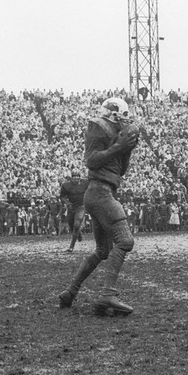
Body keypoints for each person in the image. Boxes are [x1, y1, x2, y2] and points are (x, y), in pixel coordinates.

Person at [57, 97, 140, 315]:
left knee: (103, 250)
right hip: (100, 192)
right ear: (113, 113)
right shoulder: (98, 126)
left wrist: (126, 149)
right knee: (125, 241)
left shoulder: (113, 133)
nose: (126, 120)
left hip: (101, 192)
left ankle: (70, 292)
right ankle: (108, 294)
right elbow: (92, 161)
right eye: (123, 115)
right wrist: (119, 146)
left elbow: (120, 171)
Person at [60, 170, 89, 252]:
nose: (76, 180)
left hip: (81, 206)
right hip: (71, 206)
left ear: (80, 178)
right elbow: (62, 196)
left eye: (77, 178)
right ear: (71, 178)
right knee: (72, 226)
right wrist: (68, 203)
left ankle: (71, 247)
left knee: (77, 224)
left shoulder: (85, 182)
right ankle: (78, 234)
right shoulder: (65, 185)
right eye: (74, 178)